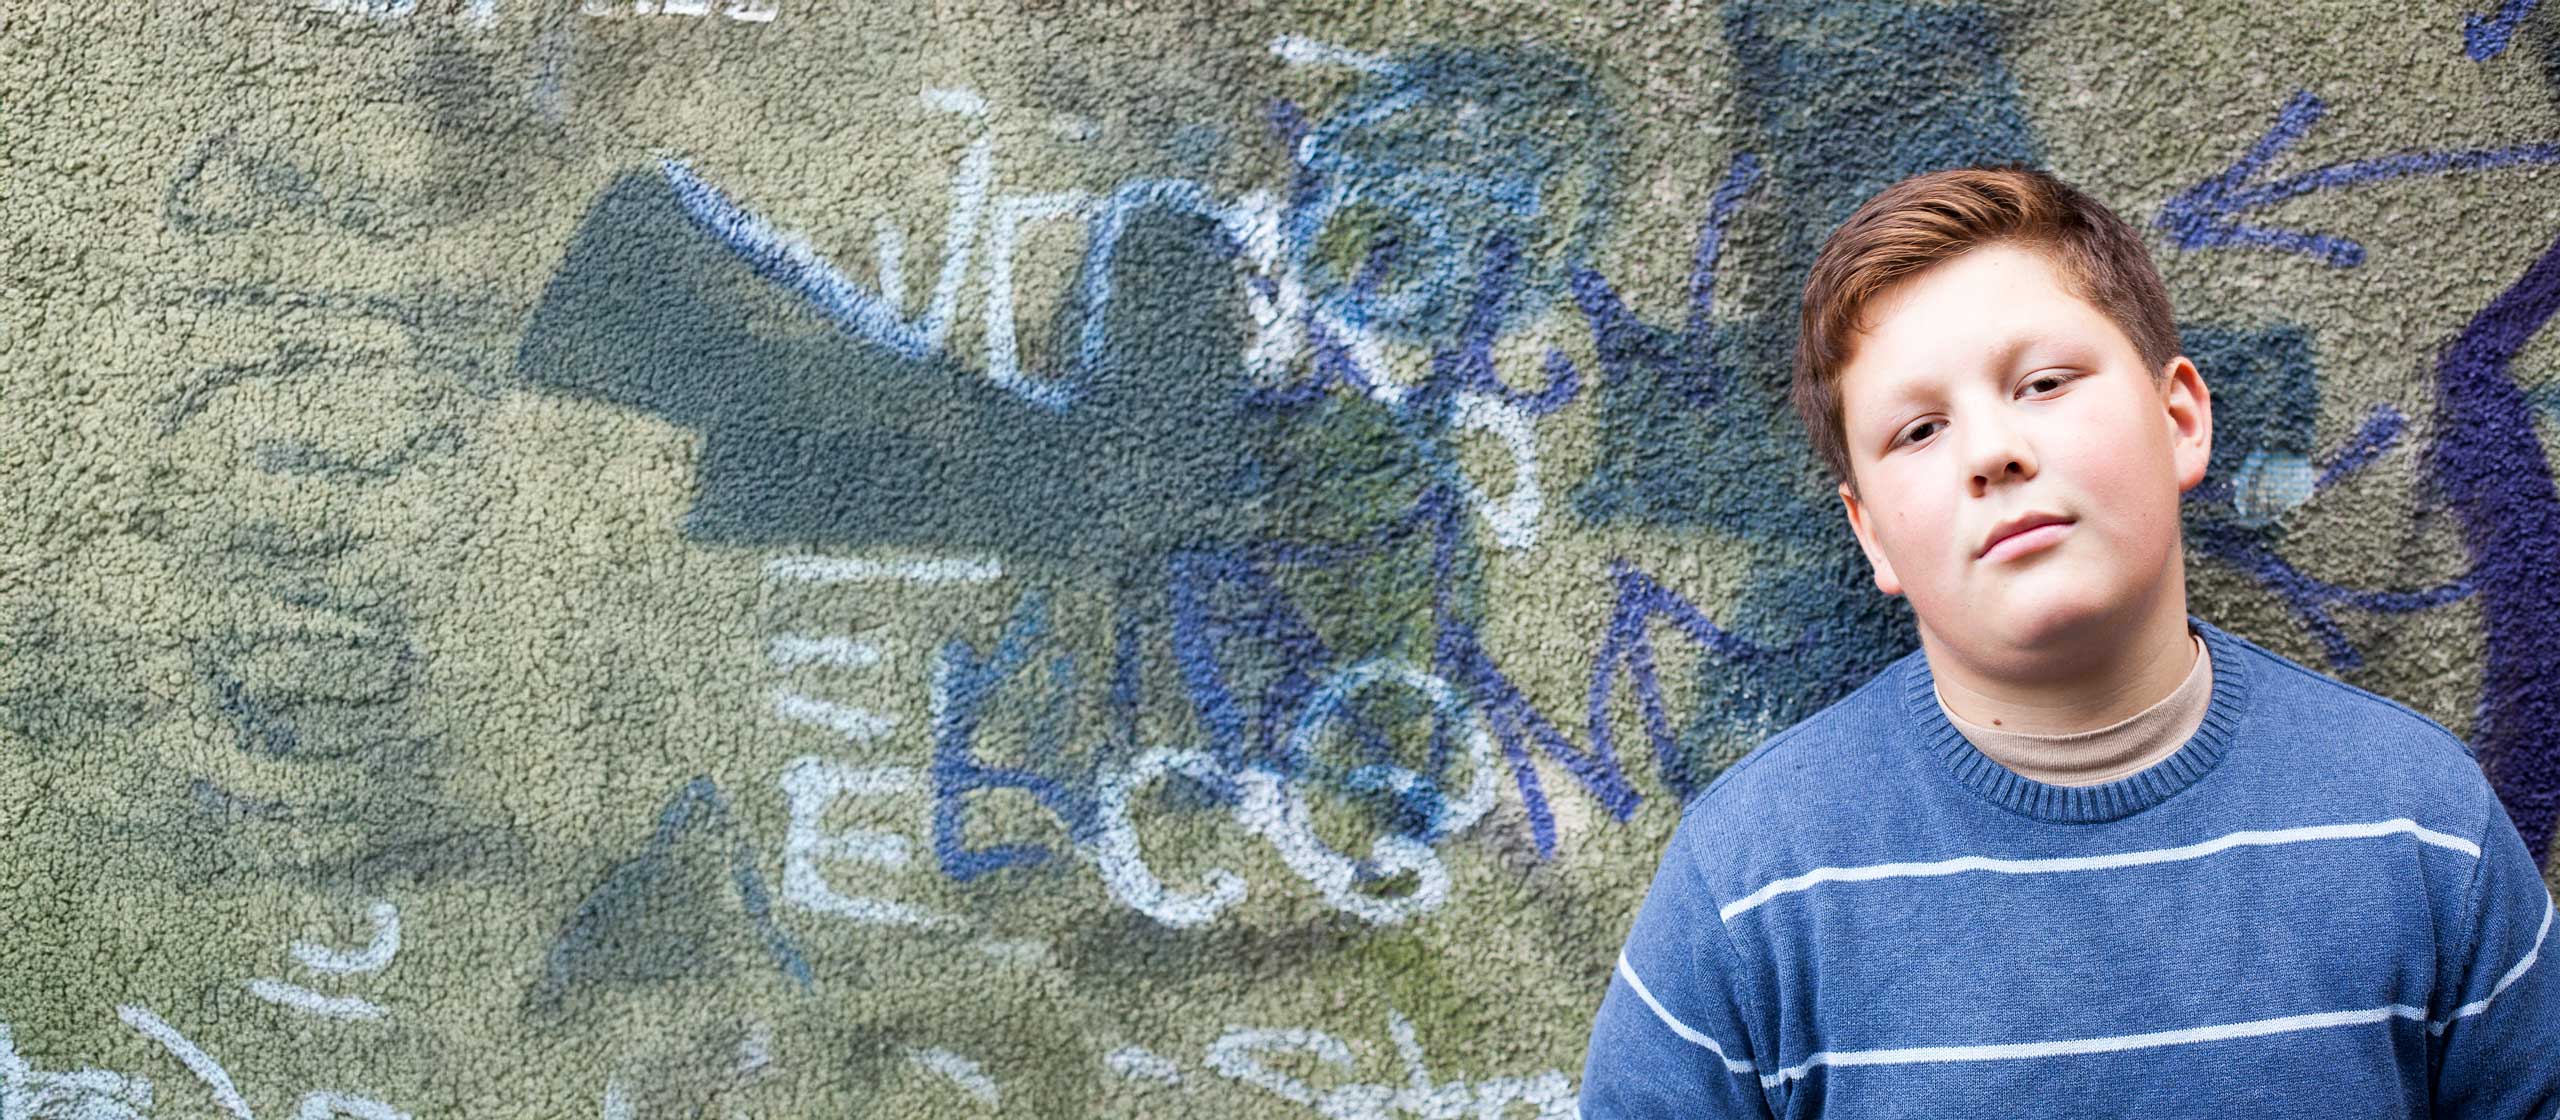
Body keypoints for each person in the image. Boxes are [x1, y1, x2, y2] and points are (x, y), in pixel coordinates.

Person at [1578, 166, 2558, 1116]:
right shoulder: (1751, 886)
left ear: (2178, 419)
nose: (1991, 451)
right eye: (1917, 431)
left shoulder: (2419, 821)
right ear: (1871, 531)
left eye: (2042, 381)